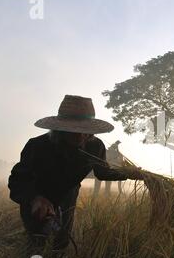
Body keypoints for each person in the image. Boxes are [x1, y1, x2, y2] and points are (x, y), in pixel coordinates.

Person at [8, 95, 140, 249]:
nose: (80, 136)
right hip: (38, 197)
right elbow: (18, 180)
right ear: (60, 129)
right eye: (73, 131)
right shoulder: (37, 146)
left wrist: (130, 173)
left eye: (85, 130)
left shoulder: (95, 146)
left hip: (68, 196)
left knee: (62, 240)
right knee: (37, 242)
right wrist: (35, 198)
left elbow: (103, 172)